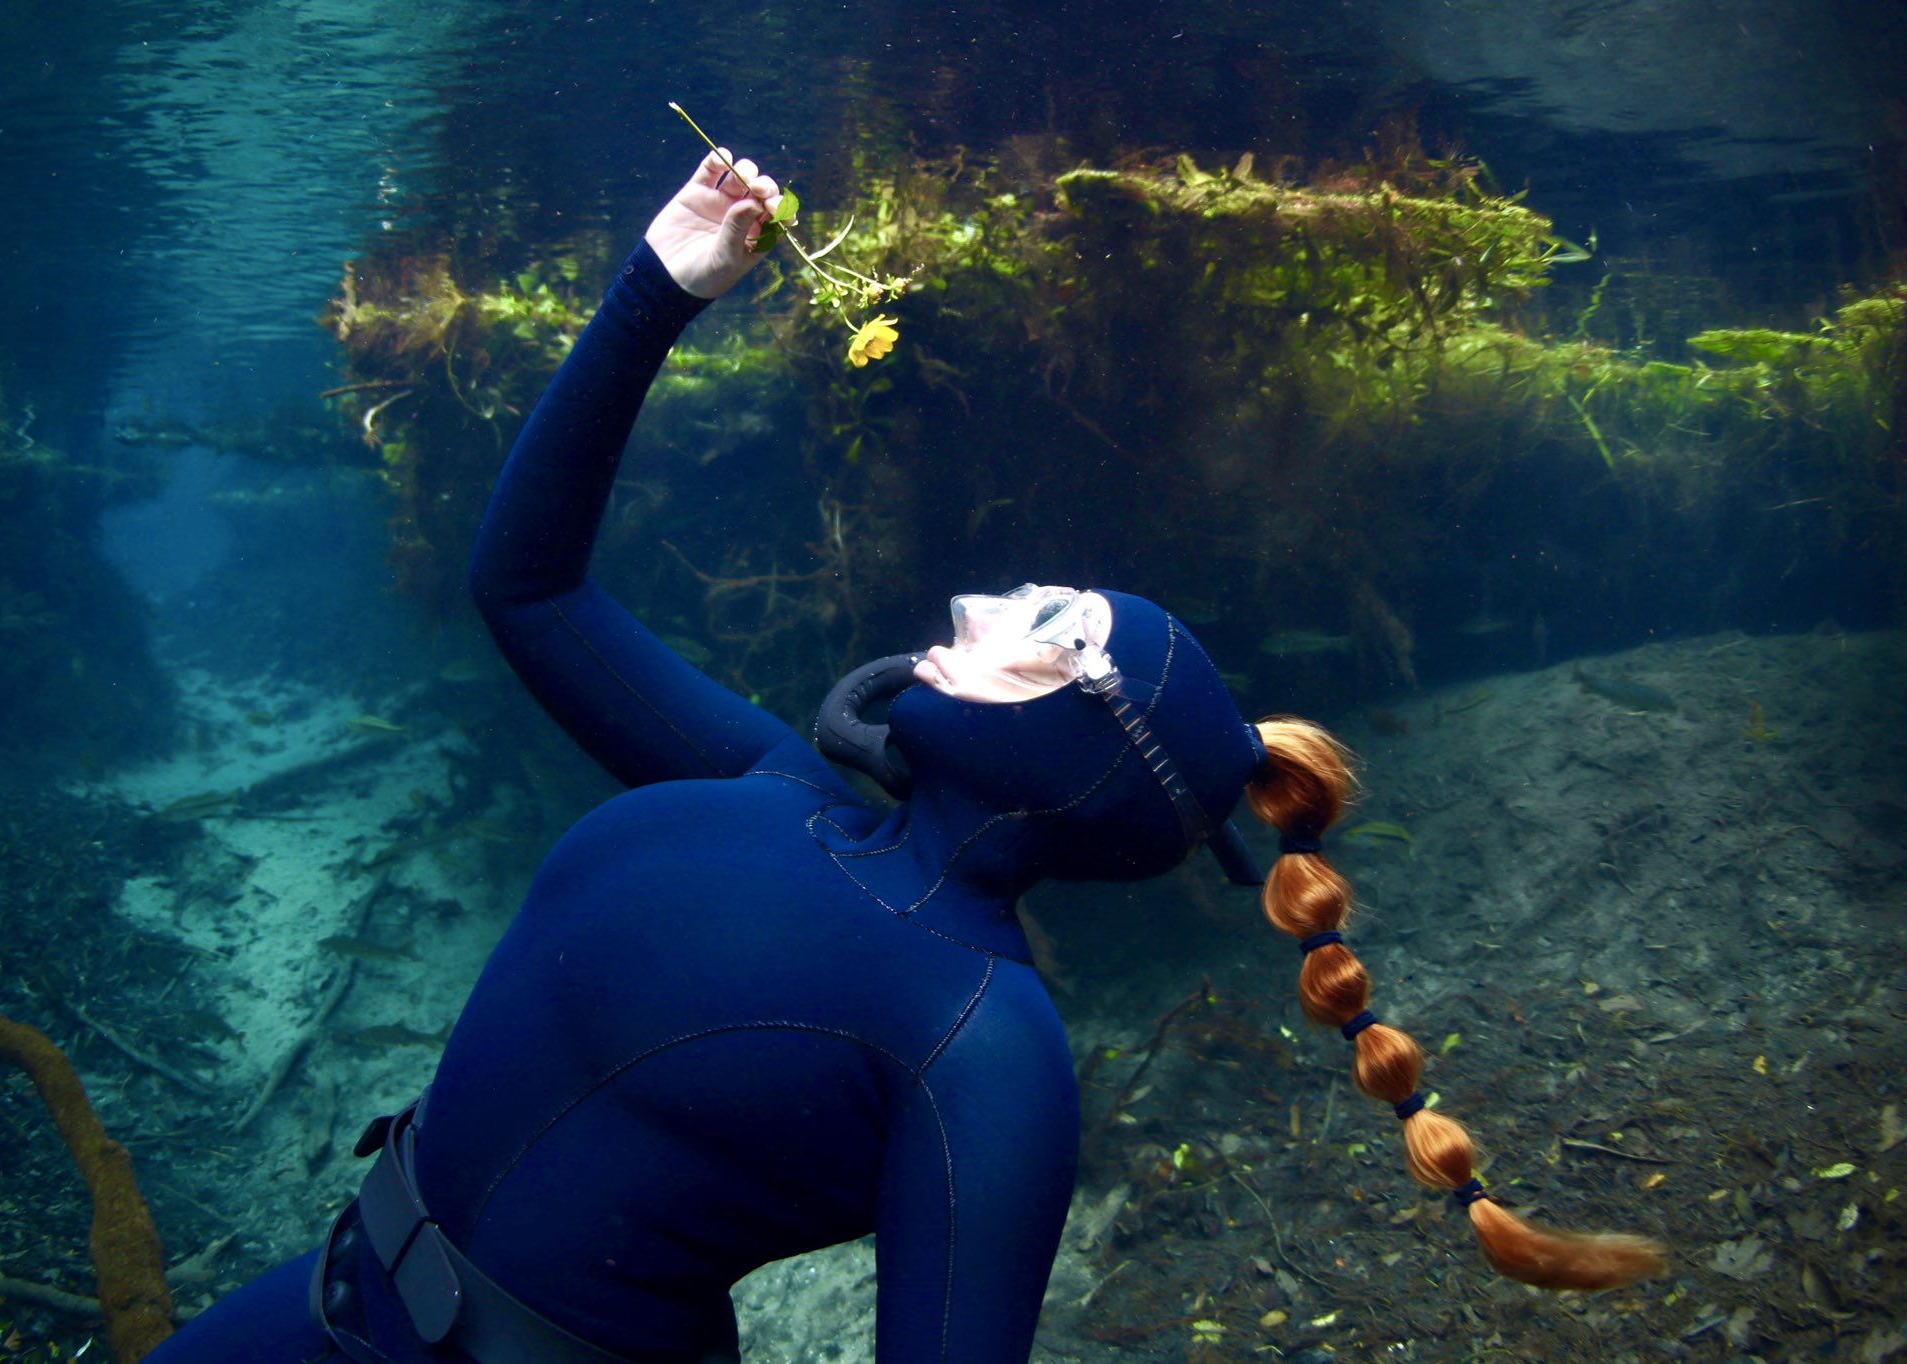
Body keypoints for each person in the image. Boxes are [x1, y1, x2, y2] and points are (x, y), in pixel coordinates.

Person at [153, 149, 1664, 1364]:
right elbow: (529, 591)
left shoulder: (989, 1049)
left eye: (1042, 618)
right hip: (325, 1297)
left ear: (1087, 750)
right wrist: (657, 289)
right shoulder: (775, 783)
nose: (971, 601)